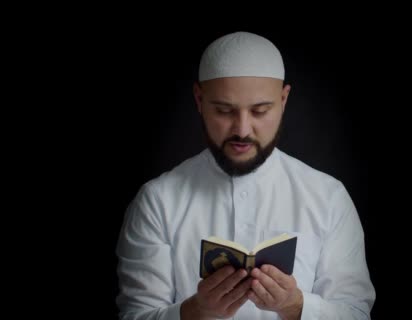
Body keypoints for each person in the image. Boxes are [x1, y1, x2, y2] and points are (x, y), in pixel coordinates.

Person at [116, 31, 375, 320]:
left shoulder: (329, 197)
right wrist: (195, 312)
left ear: (283, 99)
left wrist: (296, 307)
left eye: (260, 111)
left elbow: (356, 314)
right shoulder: (157, 201)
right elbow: (134, 316)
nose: (242, 129)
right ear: (199, 99)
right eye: (224, 110)